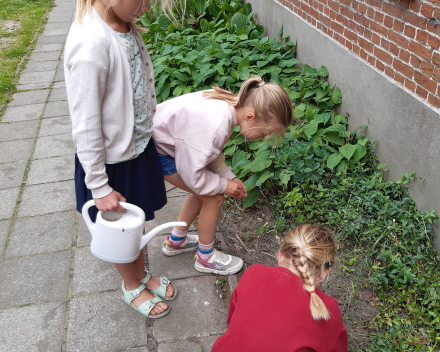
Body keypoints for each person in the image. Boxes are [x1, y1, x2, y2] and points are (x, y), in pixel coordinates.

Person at [65, 0, 180, 319]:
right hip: (112, 164)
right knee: (119, 230)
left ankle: (140, 273)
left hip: (136, 150)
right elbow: (86, 125)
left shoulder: (124, 26)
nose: (147, 7)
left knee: (137, 221)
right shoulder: (91, 44)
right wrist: (99, 186)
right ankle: (131, 283)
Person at [153, 76, 293, 275]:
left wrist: (227, 175)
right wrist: (222, 185)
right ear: (250, 116)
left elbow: (208, 151)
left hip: (166, 145)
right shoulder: (217, 125)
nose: (263, 139)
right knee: (214, 197)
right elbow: (193, 176)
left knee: (204, 191)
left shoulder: (227, 106)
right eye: (264, 134)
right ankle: (206, 257)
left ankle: (176, 241)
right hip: (159, 153)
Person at [211, 224, 348, 352]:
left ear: (281, 255)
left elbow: (233, 321)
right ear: (324, 272)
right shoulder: (329, 310)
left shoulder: (254, 272)